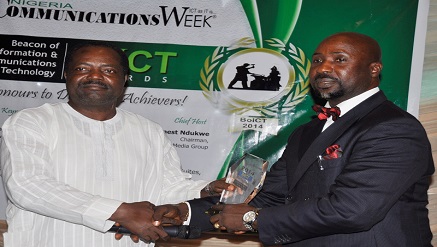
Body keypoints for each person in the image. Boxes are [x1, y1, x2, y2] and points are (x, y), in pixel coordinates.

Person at [153, 32, 435, 246]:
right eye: (317, 61)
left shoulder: (393, 128)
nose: (323, 68)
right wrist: (186, 212)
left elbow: (353, 210)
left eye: (340, 60)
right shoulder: (307, 132)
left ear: (374, 69)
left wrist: (253, 219)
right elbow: (271, 196)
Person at [0, 41, 231, 247]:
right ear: (66, 74)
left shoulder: (149, 131)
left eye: (108, 70)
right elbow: (27, 185)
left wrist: (206, 190)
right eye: (82, 68)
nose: (95, 76)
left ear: (125, 79)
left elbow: (166, 188)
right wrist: (119, 212)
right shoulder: (32, 121)